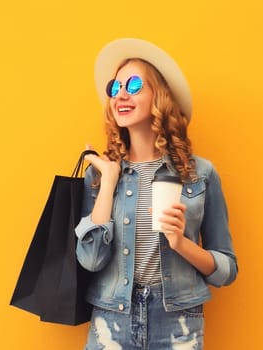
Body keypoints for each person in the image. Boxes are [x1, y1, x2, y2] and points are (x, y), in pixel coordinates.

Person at [75, 38, 238, 350]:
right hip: (111, 320)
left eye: (134, 85)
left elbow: (227, 271)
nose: (120, 94)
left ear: (159, 97)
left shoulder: (199, 174)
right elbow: (91, 260)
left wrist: (181, 243)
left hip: (177, 322)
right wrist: (109, 181)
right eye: (114, 87)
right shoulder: (100, 174)